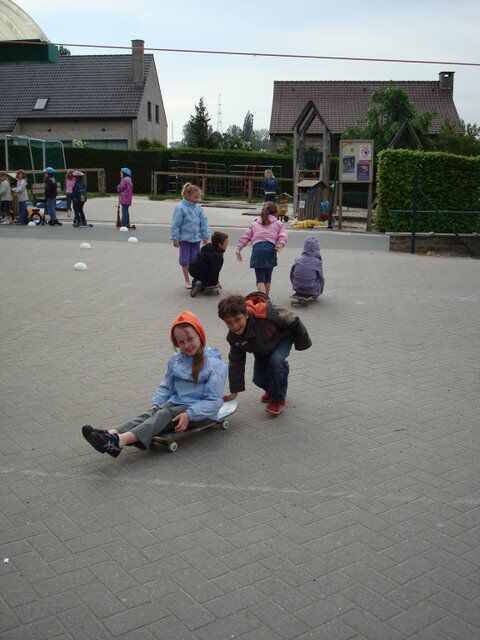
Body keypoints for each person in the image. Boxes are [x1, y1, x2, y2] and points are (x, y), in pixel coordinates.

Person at [81, 311, 227, 457]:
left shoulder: (214, 365)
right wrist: (157, 403)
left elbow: (214, 401)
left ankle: (119, 442)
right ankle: (109, 434)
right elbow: (166, 386)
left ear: (200, 335)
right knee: (153, 412)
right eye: (181, 342)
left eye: (190, 339)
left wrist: (190, 414)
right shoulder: (176, 360)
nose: (187, 345)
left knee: (164, 414)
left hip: (201, 412)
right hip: (178, 403)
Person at [218, 292, 311, 416]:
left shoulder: (265, 314)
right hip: (262, 349)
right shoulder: (234, 338)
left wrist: (302, 343)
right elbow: (236, 362)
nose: (234, 326)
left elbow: (293, 319)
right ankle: (273, 390)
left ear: (246, 315)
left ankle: (278, 399)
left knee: (276, 362)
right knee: (258, 379)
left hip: (282, 339)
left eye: (237, 319)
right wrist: (234, 391)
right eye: (229, 323)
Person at [236, 202, 287, 296]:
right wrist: (280, 244)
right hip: (271, 249)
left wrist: (239, 249)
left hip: (258, 250)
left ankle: (263, 300)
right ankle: (267, 299)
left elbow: (246, 236)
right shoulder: (278, 223)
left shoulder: (255, 223)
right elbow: (282, 235)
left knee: (260, 279)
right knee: (268, 278)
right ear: (276, 213)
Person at [171, 183, 211, 289]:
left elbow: (203, 222)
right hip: (184, 239)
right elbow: (175, 225)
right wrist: (175, 238)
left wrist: (205, 237)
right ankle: (187, 280)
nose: (198, 199)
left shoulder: (198, 208)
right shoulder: (180, 208)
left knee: (195, 261)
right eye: (195, 197)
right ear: (187, 196)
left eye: (198, 197)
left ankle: (196, 280)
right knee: (184, 260)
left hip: (196, 239)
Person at [189, 231, 229, 298]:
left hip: (193, 269)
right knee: (214, 288)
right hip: (204, 272)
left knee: (199, 277)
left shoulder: (206, 248)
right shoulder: (218, 256)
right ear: (220, 244)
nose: (227, 245)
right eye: (226, 243)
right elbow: (215, 271)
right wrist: (215, 283)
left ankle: (196, 283)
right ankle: (205, 287)